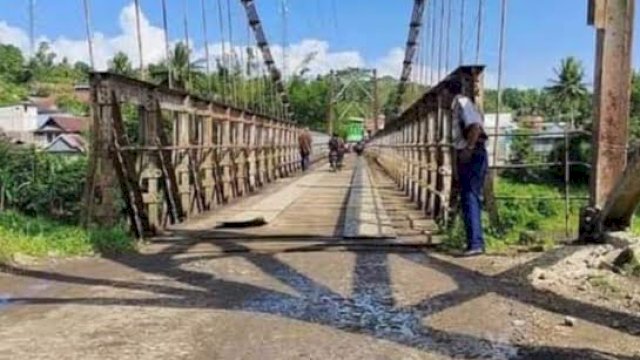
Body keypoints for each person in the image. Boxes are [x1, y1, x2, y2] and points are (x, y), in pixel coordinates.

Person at [446, 79, 489, 257]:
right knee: (468, 198)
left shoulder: (462, 103)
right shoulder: (457, 105)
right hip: (468, 154)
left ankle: (476, 243)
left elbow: (475, 127)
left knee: (470, 197)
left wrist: (469, 149)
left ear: (446, 93)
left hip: (472, 154)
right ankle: (473, 242)